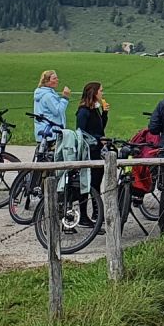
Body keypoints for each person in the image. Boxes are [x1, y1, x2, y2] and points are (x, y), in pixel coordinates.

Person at [73, 82, 109, 225]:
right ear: (94, 93)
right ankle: (84, 215)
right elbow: (81, 132)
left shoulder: (95, 110)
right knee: (88, 183)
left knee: (96, 183)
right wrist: (98, 139)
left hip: (98, 149)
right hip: (89, 151)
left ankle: (96, 212)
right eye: (100, 91)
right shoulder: (83, 111)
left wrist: (105, 113)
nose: (102, 93)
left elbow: (100, 128)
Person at [33, 70, 70, 141]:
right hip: (51, 132)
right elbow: (58, 111)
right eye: (54, 78)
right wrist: (65, 98)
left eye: (57, 78)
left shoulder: (40, 93)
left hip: (41, 130)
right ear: (47, 81)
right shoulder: (49, 96)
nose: (57, 80)